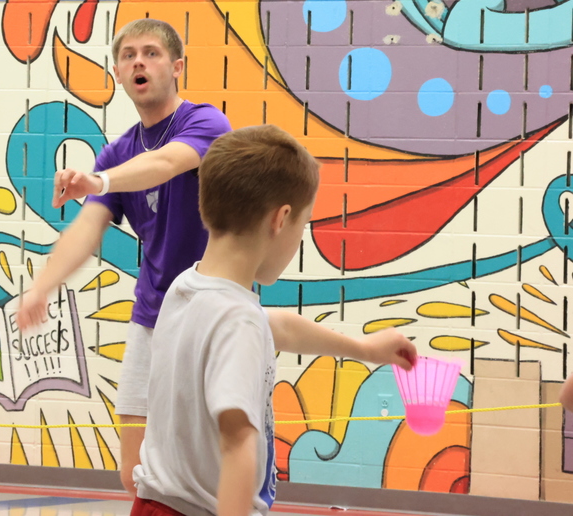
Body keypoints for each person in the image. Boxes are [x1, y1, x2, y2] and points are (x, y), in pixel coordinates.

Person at [132, 126, 417, 516]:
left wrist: (363, 349)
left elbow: (277, 327)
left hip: (155, 504)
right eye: (304, 224)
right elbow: (237, 445)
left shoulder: (190, 288)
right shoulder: (238, 321)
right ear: (281, 219)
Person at [15, 18, 231, 492]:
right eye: (129, 54)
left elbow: (168, 162)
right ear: (117, 72)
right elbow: (86, 229)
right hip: (152, 316)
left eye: (151, 53)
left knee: (217, 456)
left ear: (177, 68)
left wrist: (101, 181)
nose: (139, 61)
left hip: (214, 314)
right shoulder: (116, 154)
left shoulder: (205, 122)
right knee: (134, 466)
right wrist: (41, 287)